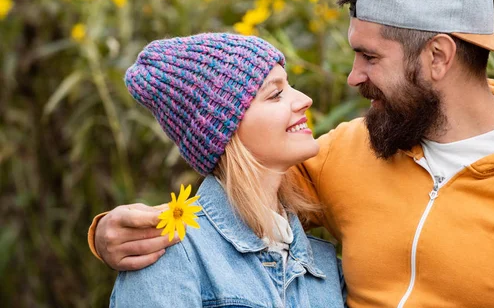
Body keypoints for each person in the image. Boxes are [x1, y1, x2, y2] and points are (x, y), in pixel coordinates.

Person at [90, 0, 494, 307]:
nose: (353, 76)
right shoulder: (344, 153)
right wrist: (109, 234)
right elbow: (239, 188)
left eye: (369, 56)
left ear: (438, 57)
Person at [106, 33, 346, 307]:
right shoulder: (169, 254)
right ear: (225, 131)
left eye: (290, 86)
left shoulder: (324, 266)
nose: (304, 99)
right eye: (276, 94)